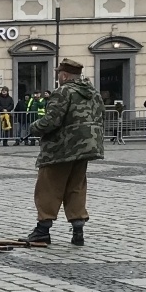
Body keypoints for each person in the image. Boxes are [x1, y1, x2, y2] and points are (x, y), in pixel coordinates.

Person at [24, 58, 104, 247]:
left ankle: (42, 230)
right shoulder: (93, 93)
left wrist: (33, 127)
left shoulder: (63, 92)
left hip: (62, 148)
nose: (58, 76)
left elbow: (52, 120)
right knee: (76, 187)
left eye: (59, 73)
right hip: (87, 147)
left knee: (48, 187)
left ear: (65, 75)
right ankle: (78, 230)